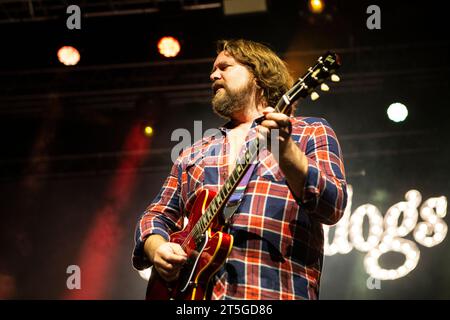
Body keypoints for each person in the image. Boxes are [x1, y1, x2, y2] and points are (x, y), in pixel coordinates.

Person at [132, 39, 347, 300]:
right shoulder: (194, 153)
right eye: (213, 69)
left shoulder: (310, 131)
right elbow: (155, 215)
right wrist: (157, 249)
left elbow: (332, 206)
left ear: (258, 75)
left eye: (225, 67)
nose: (213, 75)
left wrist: (286, 150)